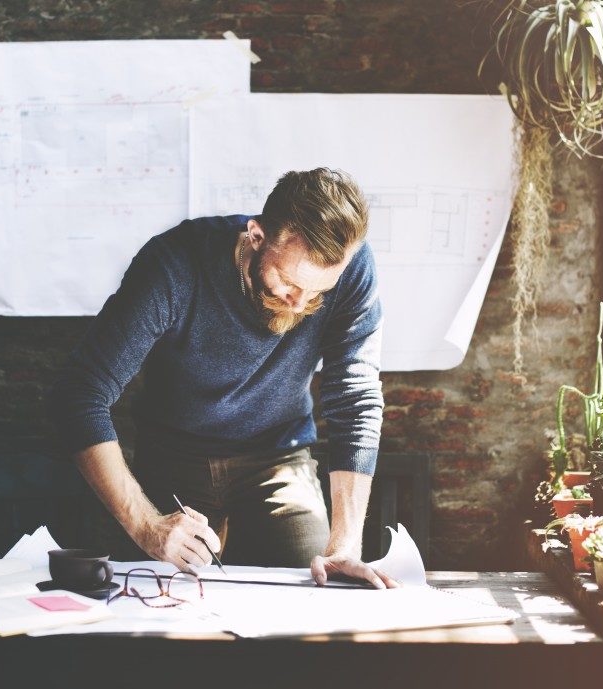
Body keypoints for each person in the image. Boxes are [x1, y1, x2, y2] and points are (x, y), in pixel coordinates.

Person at [47, 168, 397, 588]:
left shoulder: (353, 267)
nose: (302, 303)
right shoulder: (175, 266)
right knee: (156, 599)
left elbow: (356, 401)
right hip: (175, 453)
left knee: (320, 587)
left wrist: (345, 544)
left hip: (279, 457)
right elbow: (79, 393)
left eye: (319, 291)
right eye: (288, 282)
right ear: (256, 236)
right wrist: (146, 526)